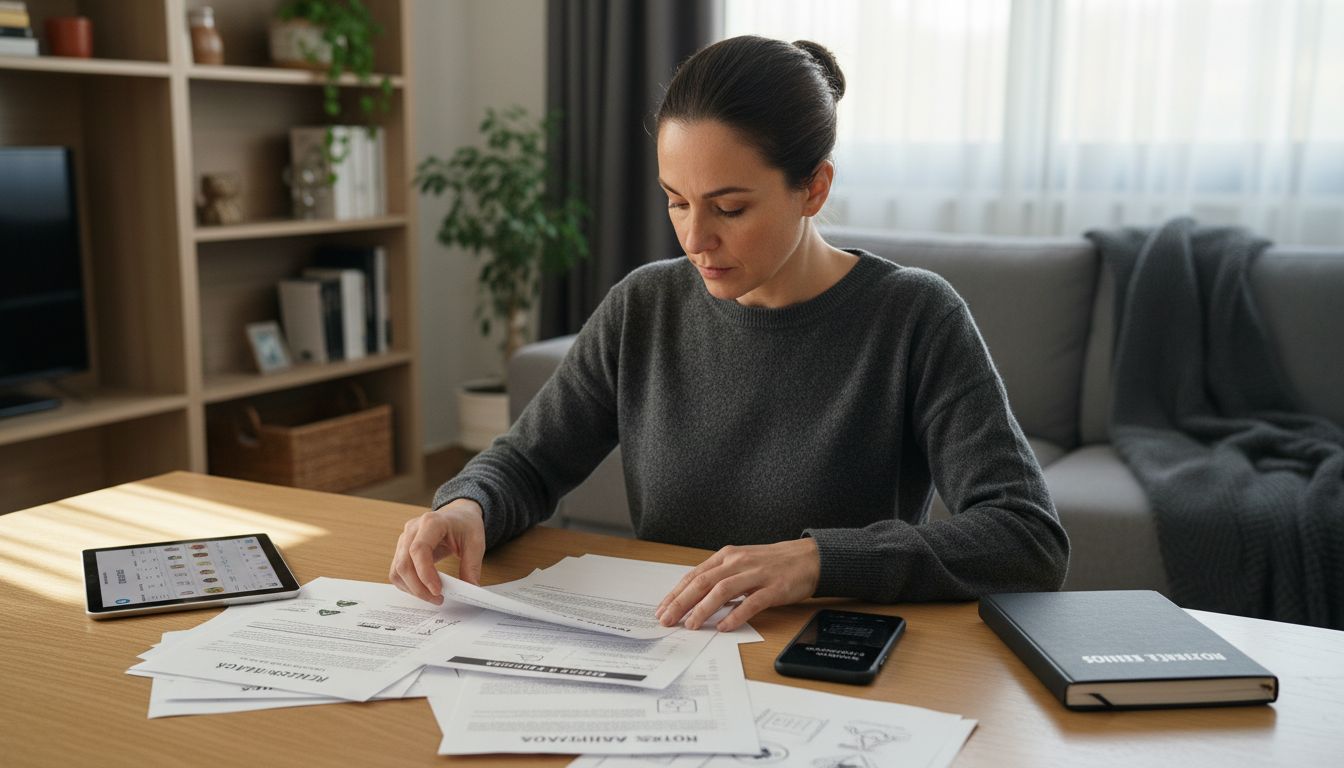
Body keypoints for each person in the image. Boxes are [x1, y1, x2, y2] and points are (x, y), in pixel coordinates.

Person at [390, 35, 1070, 633]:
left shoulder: (914, 317)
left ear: (814, 189)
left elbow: (1026, 536)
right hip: (667, 653)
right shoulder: (644, 306)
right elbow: (530, 463)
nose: (694, 238)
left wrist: (816, 561)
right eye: (676, 201)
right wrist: (466, 506)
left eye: (730, 207)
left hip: (823, 661)